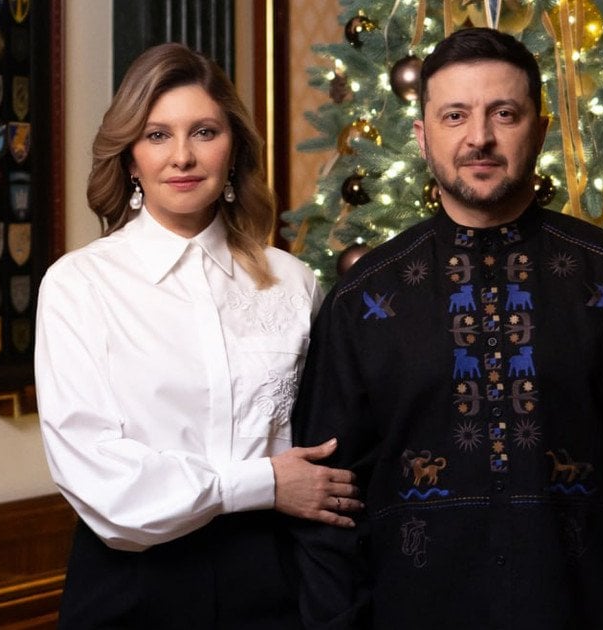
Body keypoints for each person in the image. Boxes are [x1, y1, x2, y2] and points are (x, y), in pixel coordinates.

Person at [291, 28, 603, 629]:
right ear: (423, 137)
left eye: (504, 114)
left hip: (582, 612)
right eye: (455, 115)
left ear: (540, 131)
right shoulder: (364, 297)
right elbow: (328, 497)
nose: (479, 138)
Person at [34, 43, 361, 629]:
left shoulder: (293, 282)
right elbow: (100, 478)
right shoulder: (79, 285)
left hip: (275, 579)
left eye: (204, 132)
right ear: (130, 158)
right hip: (130, 586)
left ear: (233, 150)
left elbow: (325, 440)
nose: (182, 156)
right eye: (157, 135)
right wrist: (262, 482)